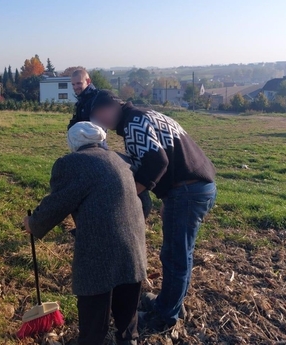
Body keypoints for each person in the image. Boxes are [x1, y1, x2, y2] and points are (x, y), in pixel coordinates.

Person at [90, 90, 217, 331]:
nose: (100, 122)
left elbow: (157, 162)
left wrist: (130, 193)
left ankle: (165, 317)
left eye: (99, 115)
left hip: (187, 190)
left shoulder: (133, 123)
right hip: (195, 187)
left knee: (175, 256)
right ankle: (171, 303)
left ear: (112, 106)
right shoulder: (144, 114)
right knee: (179, 253)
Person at [23, 122, 147, 345]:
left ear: (73, 144)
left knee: (94, 317)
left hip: (99, 251)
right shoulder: (122, 160)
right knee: (127, 309)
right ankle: (129, 340)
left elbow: (57, 203)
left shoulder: (72, 163)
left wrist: (33, 223)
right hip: (134, 245)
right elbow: (143, 203)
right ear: (100, 140)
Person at [67, 68, 153, 219]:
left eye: (78, 83)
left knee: (96, 185)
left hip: (94, 145)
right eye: (73, 84)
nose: (75, 87)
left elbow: (95, 127)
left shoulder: (97, 98)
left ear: (88, 81)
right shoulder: (83, 100)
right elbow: (76, 122)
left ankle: (127, 214)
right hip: (86, 145)